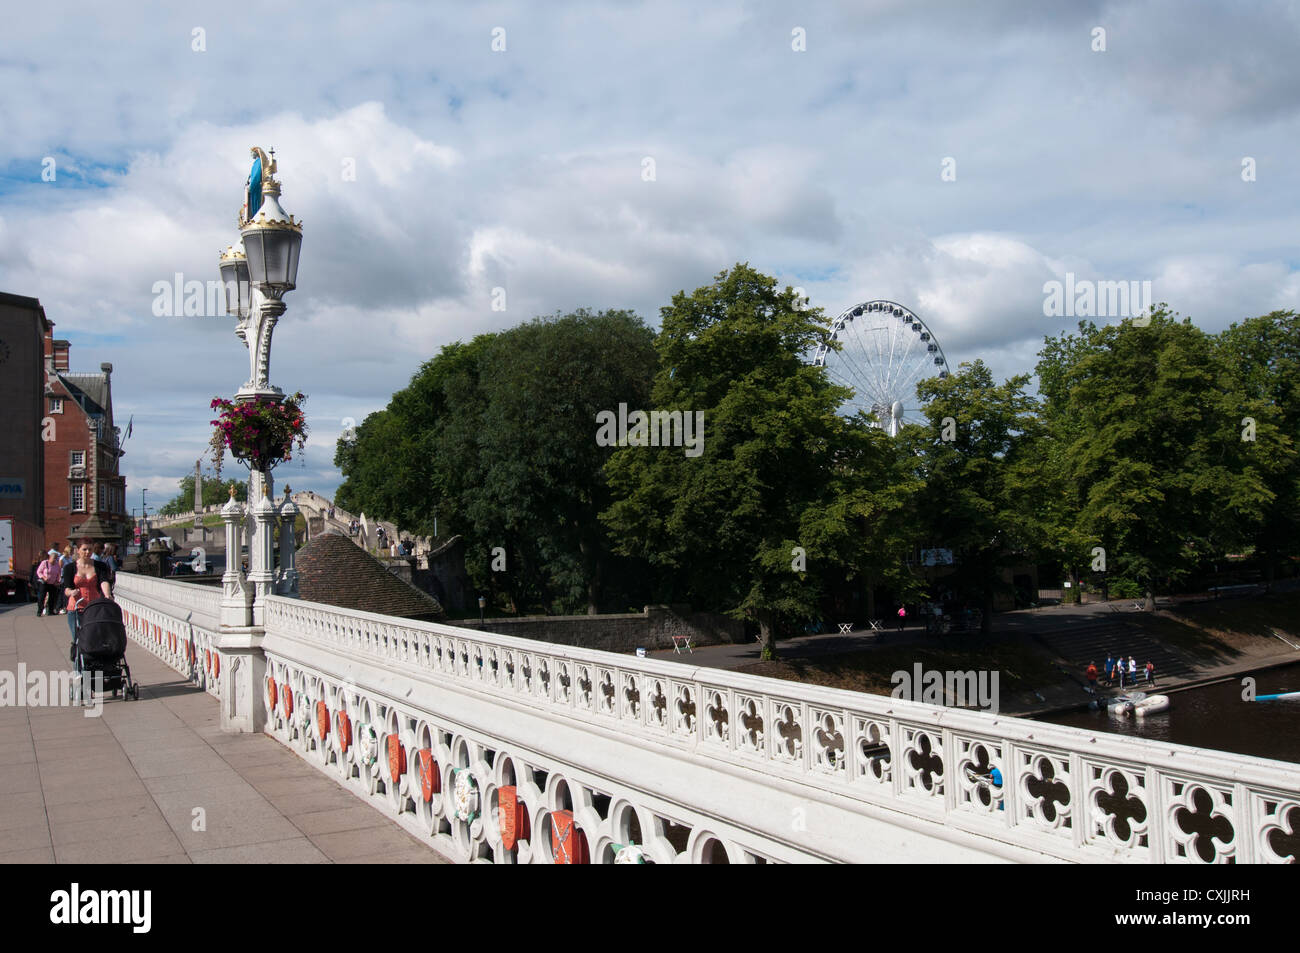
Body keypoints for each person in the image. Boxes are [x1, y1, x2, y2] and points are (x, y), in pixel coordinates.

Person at [62, 538, 113, 662]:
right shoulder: (70, 567)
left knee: (96, 638)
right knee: (79, 639)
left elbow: (103, 581)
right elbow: (66, 588)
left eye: (90, 549)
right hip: (76, 608)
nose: (87, 552)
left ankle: (95, 666)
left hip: (94, 608)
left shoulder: (99, 566)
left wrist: (107, 594)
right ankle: (79, 670)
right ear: (78, 550)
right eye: (84, 549)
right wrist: (72, 592)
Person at [37, 550, 62, 616]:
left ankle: (50, 611)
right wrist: (43, 577)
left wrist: (57, 581)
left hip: (53, 583)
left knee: (52, 597)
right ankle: (40, 611)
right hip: (44, 583)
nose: (55, 560)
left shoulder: (57, 565)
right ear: (50, 557)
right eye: (54, 558)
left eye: (56, 558)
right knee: (42, 597)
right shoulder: (45, 563)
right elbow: (39, 572)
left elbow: (59, 573)